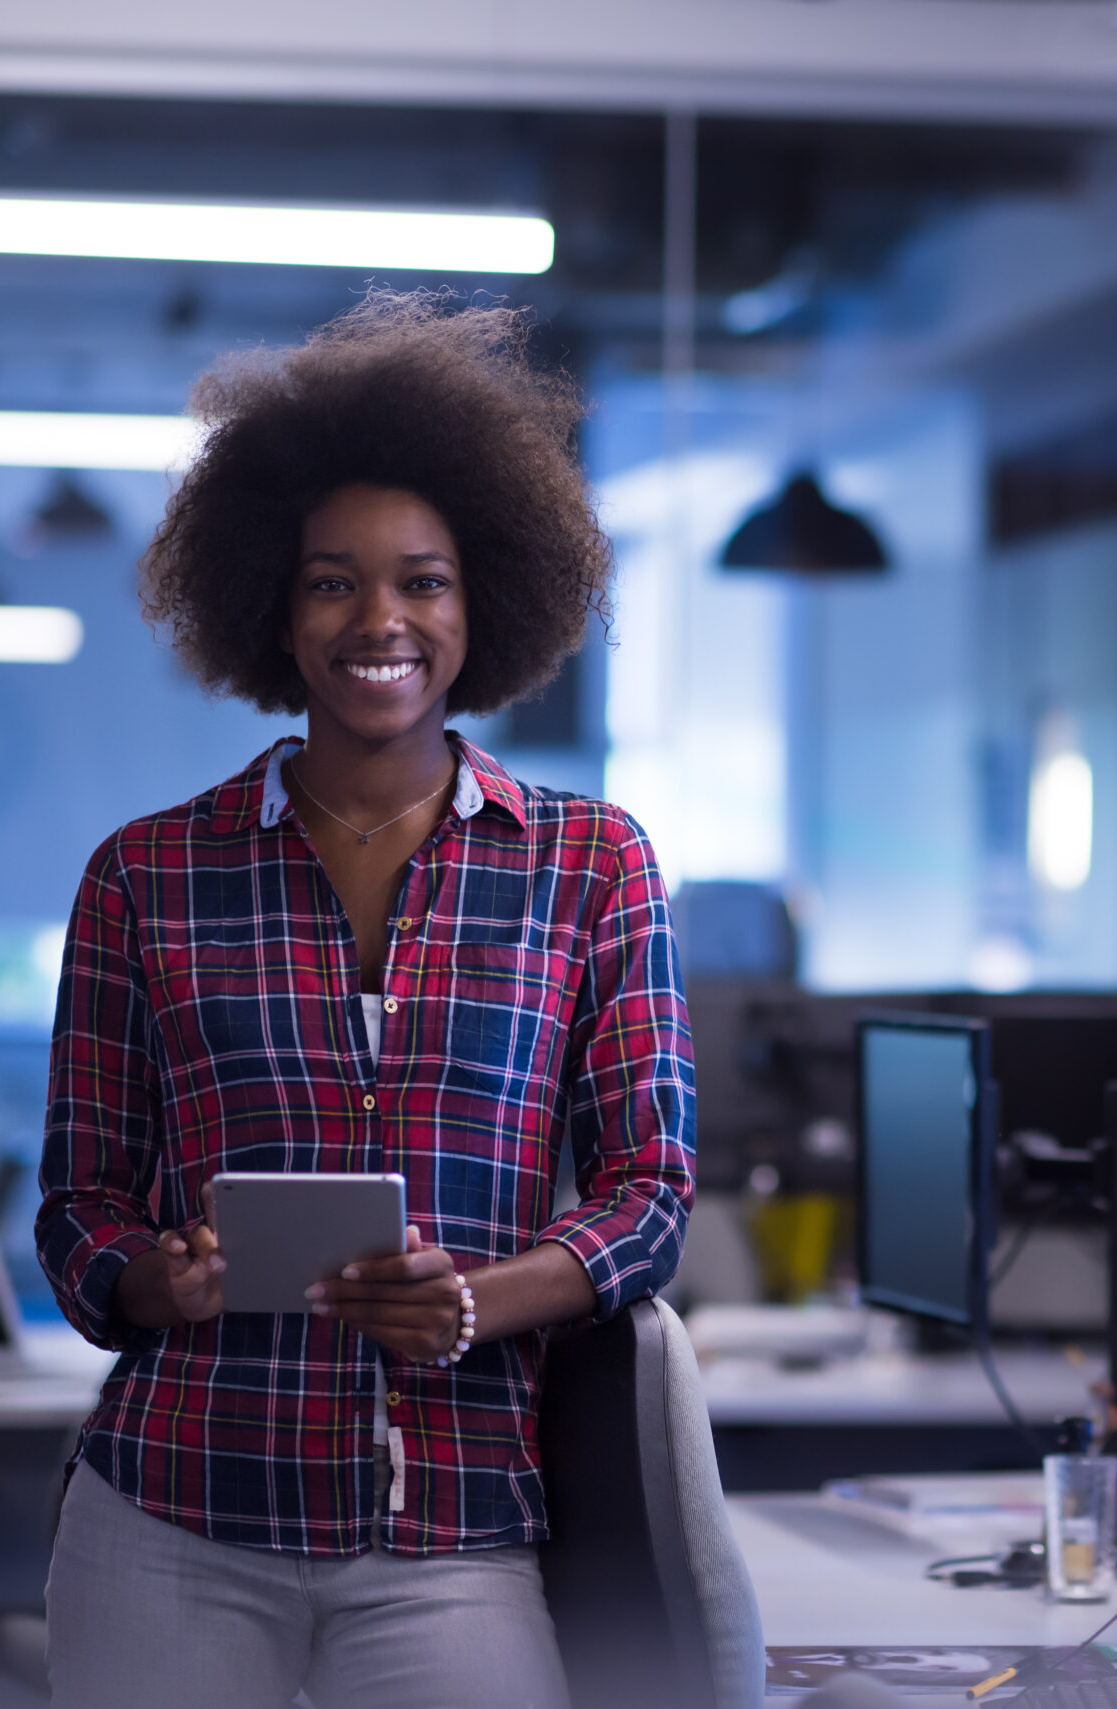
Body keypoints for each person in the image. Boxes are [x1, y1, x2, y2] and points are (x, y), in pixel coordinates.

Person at [35, 293, 694, 1709]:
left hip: (454, 1528)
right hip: (173, 1517)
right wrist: (153, 1275)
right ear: (273, 601)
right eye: (334, 580)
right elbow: (76, 1202)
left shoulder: (592, 865)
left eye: (425, 581)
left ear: (484, 601)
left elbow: (650, 1193)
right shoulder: (147, 874)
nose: (380, 619)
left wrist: (473, 1299)